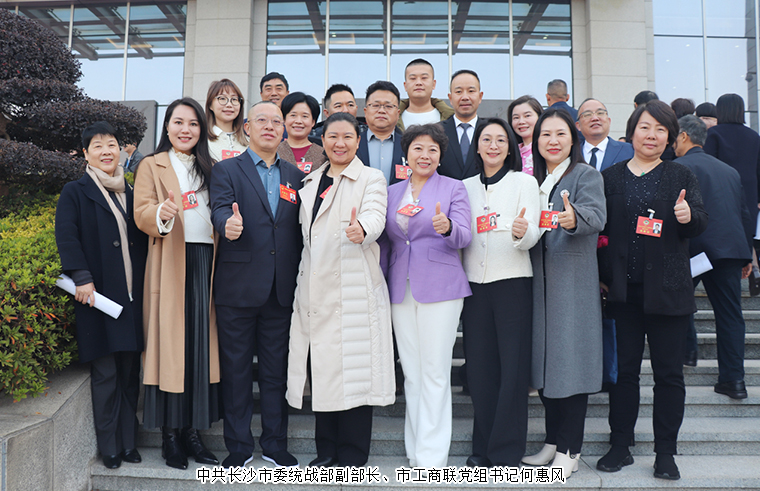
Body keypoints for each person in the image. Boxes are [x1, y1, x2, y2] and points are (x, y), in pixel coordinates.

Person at [597, 100, 707, 481]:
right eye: (645, 127)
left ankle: (665, 453)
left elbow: (700, 220)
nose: (652, 135)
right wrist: (602, 276)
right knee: (624, 374)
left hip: (669, 292)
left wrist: (688, 217)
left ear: (671, 137)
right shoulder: (610, 177)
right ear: (632, 133)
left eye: (661, 129)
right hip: (623, 294)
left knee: (669, 376)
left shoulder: (681, 174)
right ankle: (620, 445)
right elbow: (600, 232)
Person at [286, 112, 395, 467]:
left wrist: (362, 229)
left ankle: (351, 455)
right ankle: (326, 452)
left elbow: (376, 215)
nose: (340, 143)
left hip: (353, 291)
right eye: (333, 136)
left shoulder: (371, 178)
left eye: (348, 136)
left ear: (358, 141)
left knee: (355, 375)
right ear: (323, 140)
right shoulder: (310, 181)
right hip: (315, 290)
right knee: (325, 373)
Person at [209, 101, 304, 468]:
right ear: (247, 127)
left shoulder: (295, 175)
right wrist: (227, 225)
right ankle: (238, 447)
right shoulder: (227, 170)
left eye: (276, 122)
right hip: (238, 288)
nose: (270, 126)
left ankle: (275, 444)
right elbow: (220, 208)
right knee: (236, 371)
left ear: (284, 131)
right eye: (261, 120)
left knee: (275, 372)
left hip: (281, 290)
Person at [133, 98, 221, 470]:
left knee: (199, 348)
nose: (186, 129)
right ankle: (170, 436)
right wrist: (162, 213)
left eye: (193, 123)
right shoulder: (151, 164)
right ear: (167, 126)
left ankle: (193, 434)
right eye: (179, 122)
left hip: (206, 263)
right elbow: (141, 212)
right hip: (170, 262)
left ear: (202, 129)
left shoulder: (212, 167)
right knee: (171, 349)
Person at [55, 121, 147, 470]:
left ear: (121, 150)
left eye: (112, 144)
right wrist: (81, 277)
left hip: (133, 297)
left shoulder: (132, 191)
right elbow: (66, 235)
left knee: (129, 373)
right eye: (98, 146)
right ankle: (110, 445)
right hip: (97, 297)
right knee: (106, 373)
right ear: (86, 153)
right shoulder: (75, 191)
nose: (107, 151)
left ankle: (129, 441)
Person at [521, 108, 606, 479]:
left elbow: (596, 215)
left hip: (571, 287)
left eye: (560, 134)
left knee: (570, 368)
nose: (552, 141)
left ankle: (570, 449)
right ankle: (553, 441)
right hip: (538, 286)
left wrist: (574, 219)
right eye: (545, 135)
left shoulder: (585, 175)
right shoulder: (534, 180)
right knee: (545, 368)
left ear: (573, 139)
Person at [381, 123, 472, 467]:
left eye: (432, 149)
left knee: (434, 371)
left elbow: (465, 235)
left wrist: (448, 227)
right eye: (418, 148)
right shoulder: (392, 192)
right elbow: (387, 242)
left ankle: (432, 458)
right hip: (399, 286)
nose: (425, 155)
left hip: (441, 287)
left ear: (440, 156)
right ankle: (415, 449)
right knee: (413, 373)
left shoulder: (453, 188)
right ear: (406, 154)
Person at [461, 118, 541, 467]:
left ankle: (506, 451)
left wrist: (521, 232)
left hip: (512, 283)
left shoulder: (524, 182)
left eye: (500, 140)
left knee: (512, 371)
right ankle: (483, 448)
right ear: (477, 147)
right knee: (480, 371)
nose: (493, 145)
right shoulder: (463, 187)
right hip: (474, 287)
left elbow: (533, 232)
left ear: (510, 148)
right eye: (486, 139)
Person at [674, 115, 752, 398]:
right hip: (729, 251)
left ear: (684, 136)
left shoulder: (678, 168)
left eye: (673, 136)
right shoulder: (729, 171)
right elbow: (744, 214)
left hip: (693, 251)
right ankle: (734, 381)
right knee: (731, 316)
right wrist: (747, 255)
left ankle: (687, 352)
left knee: (678, 304)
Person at [703, 94, 760, 244]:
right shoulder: (754, 136)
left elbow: (708, 165)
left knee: (722, 239)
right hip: (749, 193)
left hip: (721, 192)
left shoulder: (713, 134)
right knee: (745, 238)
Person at [357, 81, 406, 185]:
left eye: (388, 106)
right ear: (365, 111)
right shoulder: (353, 143)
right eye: (376, 105)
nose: (382, 111)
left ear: (398, 114)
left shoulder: (408, 144)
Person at [438, 69, 483, 181]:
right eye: (458, 92)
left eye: (471, 91)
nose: (465, 97)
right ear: (450, 98)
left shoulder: (490, 130)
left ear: (480, 96)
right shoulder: (437, 131)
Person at [575, 98, 634, 172]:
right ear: (578, 126)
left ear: (609, 121)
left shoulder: (629, 151)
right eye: (587, 114)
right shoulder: (571, 154)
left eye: (600, 113)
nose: (595, 118)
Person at [397, 58, 454, 131]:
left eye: (424, 78)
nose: (418, 83)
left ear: (433, 84)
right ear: (405, 86)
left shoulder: (451, 118)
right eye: (413, 78)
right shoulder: (393, 118)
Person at [277, 92, 327, 173]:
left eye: (304, 116)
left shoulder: (324, 155)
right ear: (284, 119)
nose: (298, 121)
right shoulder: (273, 153)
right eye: (293, 115)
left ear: (313, 122)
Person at [205, 79, 248, 162]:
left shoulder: (250, 143)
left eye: (234, 99)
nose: (229, 104)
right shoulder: (201, 140)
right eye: (222, 98)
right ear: (210, 104)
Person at [508, 95, 543, 176]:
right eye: (516, 117)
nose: (521, 121)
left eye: (527, 116)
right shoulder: (509, 151)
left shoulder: (546, 149)